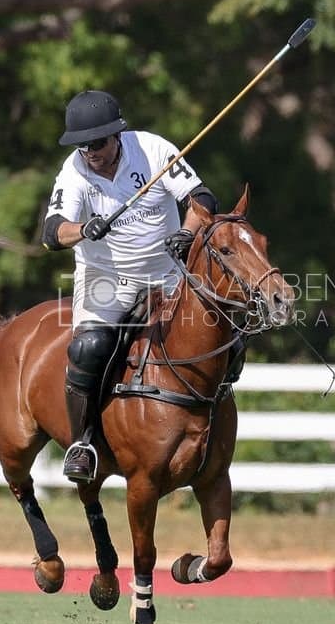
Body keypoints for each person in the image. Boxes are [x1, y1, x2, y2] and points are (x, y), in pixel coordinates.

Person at [40, 89, 219, 482]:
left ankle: (216, 430)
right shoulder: (75, 172)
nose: (92, 152)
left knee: (222, 337)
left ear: (117, 135)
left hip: (169, 273)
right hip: (106, 279)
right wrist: (84, 228)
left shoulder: (151, 150)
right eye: (84, 145)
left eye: (99, 143)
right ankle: (83, 442)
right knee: (89, 348)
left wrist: (186, 235)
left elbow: (202, 198)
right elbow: (52, 232)